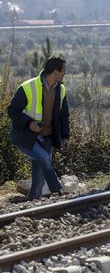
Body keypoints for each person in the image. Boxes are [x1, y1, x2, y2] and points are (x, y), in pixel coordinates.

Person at [7, 56, 70, 200]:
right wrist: (29, 123)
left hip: (47, 138)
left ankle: (31, 207)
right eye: (64, 71)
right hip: (26, 137)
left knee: (39, 180)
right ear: (55, 71)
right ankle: (57, 189)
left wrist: (65, 137)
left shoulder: (61, 90)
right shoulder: (28, 87)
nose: (65, 74)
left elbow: (64, 115)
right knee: (44, 158)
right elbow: (12, 110)